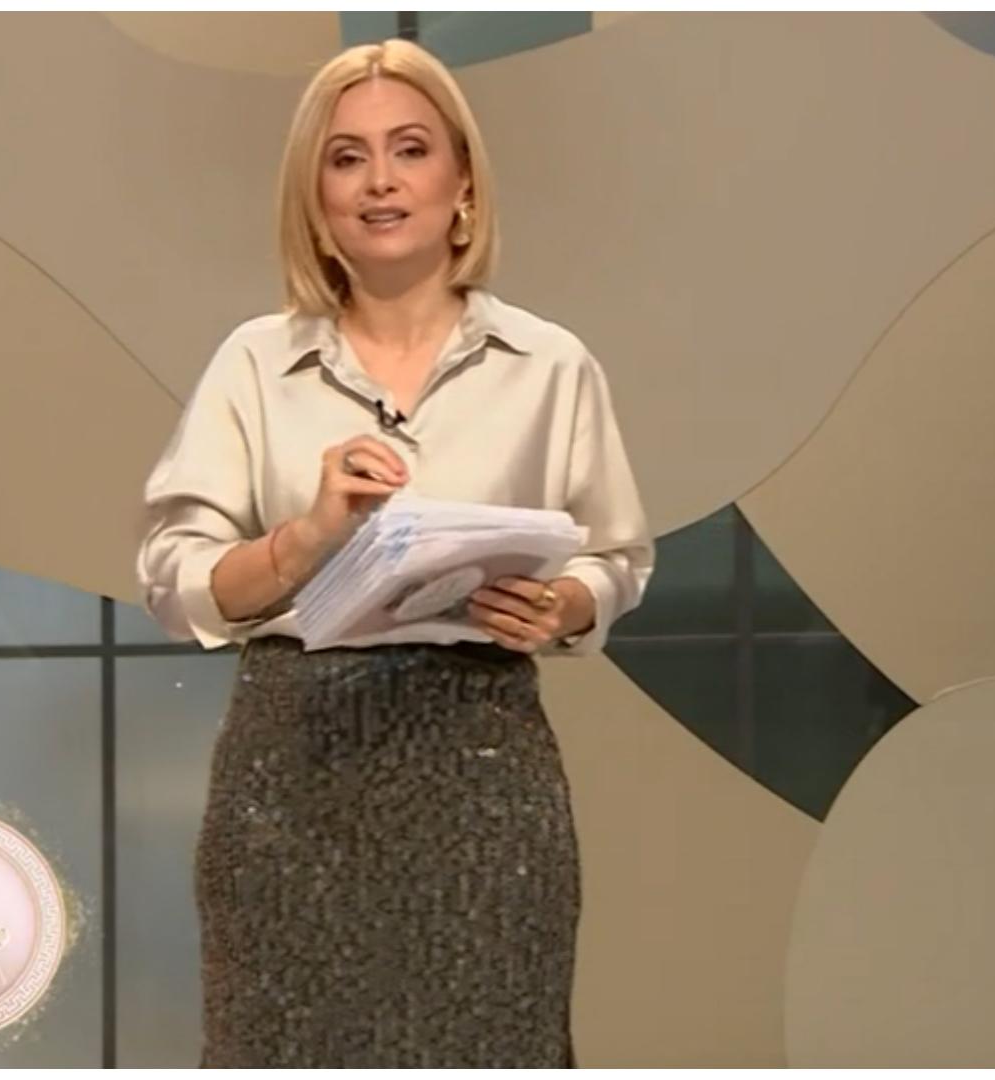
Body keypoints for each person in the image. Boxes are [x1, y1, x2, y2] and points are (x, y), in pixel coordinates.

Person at [133, 38, 654, 1068]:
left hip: (483, 771)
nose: (380, 181)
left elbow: (617, 557)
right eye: (347, 158)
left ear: (463, 183)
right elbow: (174, 578)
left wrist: (563, 606)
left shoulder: (551, 366)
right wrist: (306, 538)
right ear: (316, 197)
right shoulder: (253, 364)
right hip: (292, 772)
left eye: (410, 150)